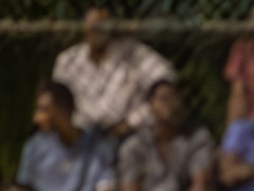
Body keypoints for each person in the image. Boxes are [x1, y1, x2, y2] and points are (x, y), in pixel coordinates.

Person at [51, 7, 176, 135]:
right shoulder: (68, 60)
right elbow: (57, 101)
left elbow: (164, 78)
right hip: (81, 133)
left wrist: (133, 122)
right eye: (93, 25)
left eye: (102, 25)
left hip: (125, 131)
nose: (97, 30)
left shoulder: (132, 53)